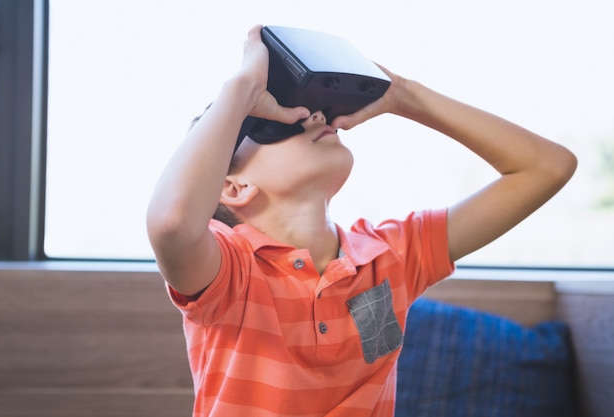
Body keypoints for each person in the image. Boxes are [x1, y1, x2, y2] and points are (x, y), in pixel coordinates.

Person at [146, 24, 577, 417]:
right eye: (273, 122)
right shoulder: (229, 272)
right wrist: (239, 92)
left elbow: (548, 168)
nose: (310, 115)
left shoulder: (390, 257)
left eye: (306, 109)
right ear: (233, 187)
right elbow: (171, 223)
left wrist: (405, 95)